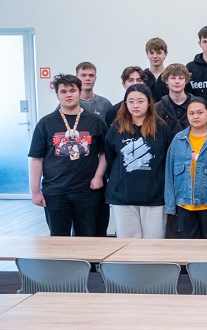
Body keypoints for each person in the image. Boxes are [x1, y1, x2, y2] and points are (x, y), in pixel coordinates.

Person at [29, 74, 107, 237]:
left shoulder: (95, 121)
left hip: (87, 190)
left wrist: (99, 176)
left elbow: (104, 153)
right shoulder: (45, 123)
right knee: (59, 239)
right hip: (55, 191)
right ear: (57, 95)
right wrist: (35, 191)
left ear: (79, 92)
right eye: (63, 91)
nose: (68, 95)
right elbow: (36, 158)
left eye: (72, 90)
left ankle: (87, 257)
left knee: (87, 237)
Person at [104, 84, 174, 239]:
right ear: (125, 103)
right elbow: (109, 159)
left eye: (140, 101)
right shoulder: (116, 129)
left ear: (149, 102)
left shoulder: (162, 129)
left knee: (154, 243)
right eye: (131, 101)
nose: (135, 105)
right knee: (128, 245)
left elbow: (169, 160)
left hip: (154, 197)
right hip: (123, 196)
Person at [164, 96, 207, 239]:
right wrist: (170, 204)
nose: (195, 117)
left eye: (200, 112)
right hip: (184, 204)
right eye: (191, 113)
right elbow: (169, 173)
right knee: (188, 247)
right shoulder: (178, 140)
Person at [156, 63, 192, 134]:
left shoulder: (196, 105)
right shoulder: (157, 108)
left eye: (181, 78)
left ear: (186, 81)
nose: (177, 82)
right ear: (166, 81)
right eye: (173, 78)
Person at [143, 37, 169, 102]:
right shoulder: (142, 77)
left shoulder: (170, 76)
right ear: (147, 54)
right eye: (151, 53)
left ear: (166, 54)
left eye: (158, 53)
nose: (155, 56)